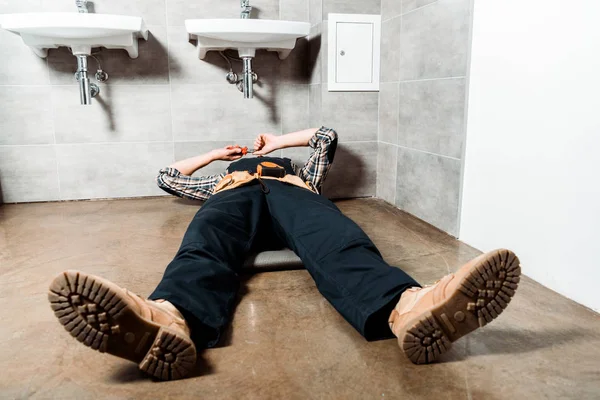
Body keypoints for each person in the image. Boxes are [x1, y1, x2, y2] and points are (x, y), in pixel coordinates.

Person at [48, 127, 521, 380]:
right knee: (205, 242)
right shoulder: (222, 179)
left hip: (292, 197)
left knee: (337, 239)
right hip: (234, 198)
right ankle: (169, 319)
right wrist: (218, 155)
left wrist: (277, 145)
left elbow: (325, 135)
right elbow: (168, 177)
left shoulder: (302, 174)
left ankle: (409, 308)